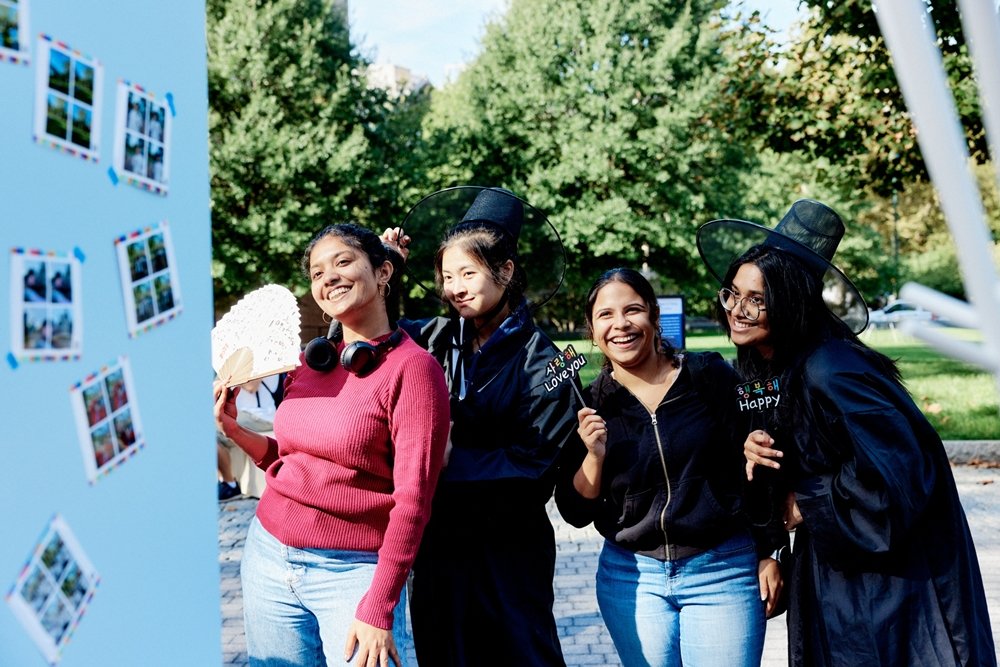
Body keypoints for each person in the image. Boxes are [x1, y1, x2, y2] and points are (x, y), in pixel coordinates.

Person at [697, 198, 997, 666]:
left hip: (896, 581)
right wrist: (757, 451)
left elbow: (906, 472)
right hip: (839, 567)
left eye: (758, 299)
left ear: (789, 301)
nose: (738, 309)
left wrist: (805, 504)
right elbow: (806, 454)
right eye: (733, 293)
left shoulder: (834, 368)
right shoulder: (778, 366)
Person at [213, 223, 450, 667]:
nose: (329, 278)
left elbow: (414, 502)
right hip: (266, 556)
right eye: (318, 273)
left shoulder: (414, 371)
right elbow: (289, 461)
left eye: (343, 262)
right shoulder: (309, 362)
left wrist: (379, 605)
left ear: (382, 272)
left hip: (353, 572)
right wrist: (236, 431)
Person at [383, 186, 578, 666]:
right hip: (436, 545)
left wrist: (445, 461)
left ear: (506, 271)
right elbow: (368, 340)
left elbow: (534, 462)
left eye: (468, 273)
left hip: (509, 546)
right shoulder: (432, 337)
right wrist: (382, 270)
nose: (455, 288)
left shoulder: (552, 361)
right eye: (447, 276)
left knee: (521, 652)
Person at [554, 267, 783, 667]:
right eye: (605, 315)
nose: (621, 324)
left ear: (655, 316)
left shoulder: (708, 375)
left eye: (633, 310)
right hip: (632, 579)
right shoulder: (590, 405)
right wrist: (593, 454)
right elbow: (574, 511)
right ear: (591, 330)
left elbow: (758, 462)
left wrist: (770, 550)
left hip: (723, 570)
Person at [216, 372, 285, 501]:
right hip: (244, 415)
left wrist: (230, 373)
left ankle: (230, 485)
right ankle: (227, 482)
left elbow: (251, 386)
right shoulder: (238, 360)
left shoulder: (261, 358)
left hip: (262, 417)